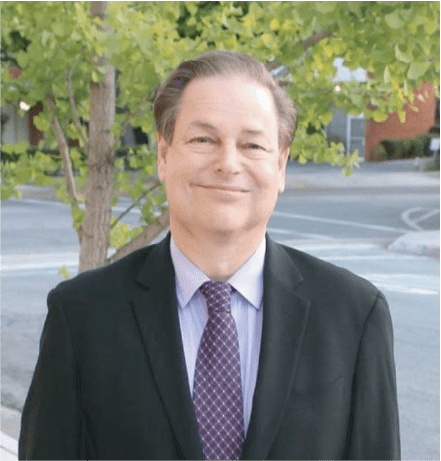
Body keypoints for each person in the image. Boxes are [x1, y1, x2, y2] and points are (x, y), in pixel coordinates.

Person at [19, 50, 400, 460]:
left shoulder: (354, 315)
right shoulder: (82, 316)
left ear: (281, 165)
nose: (228, 164)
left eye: (253, 144)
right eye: (204, 140)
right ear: (164, 156)